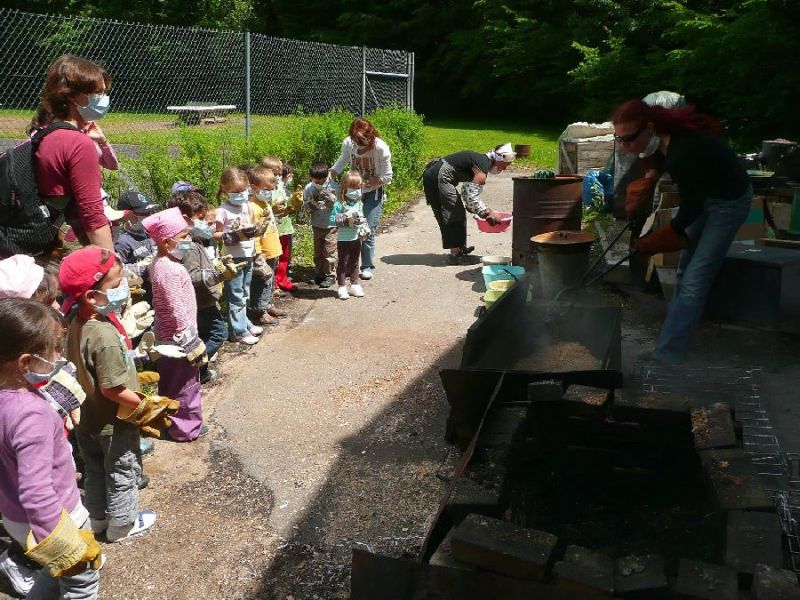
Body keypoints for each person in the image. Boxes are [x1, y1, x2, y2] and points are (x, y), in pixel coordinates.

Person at [613, 99, 753, 363]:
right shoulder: (661, 141)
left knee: (694, 280)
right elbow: (656, 163)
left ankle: (668, 355)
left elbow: (692, 207)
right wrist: (648, 183)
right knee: (683, 272)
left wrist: (657, 240)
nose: (623, 146)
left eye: (628, 139)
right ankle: (676, 341)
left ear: (650, 128)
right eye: (618, 139)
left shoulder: (682, 152)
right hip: (707, 197)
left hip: (729, 203)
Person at [0, 298, 104, 599]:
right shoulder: (31, 414)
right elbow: (37, 492)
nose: (59, 356)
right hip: (57, 519)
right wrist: (62, 545)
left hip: (16, 519)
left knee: (50, 575)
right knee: (81, 585)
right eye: (54, 350)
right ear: (24, 362)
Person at [59, 247, 157, 543]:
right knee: (123, 470)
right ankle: (122, 525)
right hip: (114, 421)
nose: (123, 288)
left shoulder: (76, 322)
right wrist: (148, 405)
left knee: (95, 469)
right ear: (91, 296)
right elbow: (112, 388)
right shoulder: (103, 334)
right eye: (115, 285)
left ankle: (99, 520)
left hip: (86, 419)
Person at [33, 54, 115, 250]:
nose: (102, 99)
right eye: (97, 93)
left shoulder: (42, 134)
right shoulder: (78, 143)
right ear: (71, 95)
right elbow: (92, 215)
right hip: (71, 246)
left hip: (42, 241)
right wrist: (112, 265)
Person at [142, 208, 209, 441]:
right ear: (166, 241)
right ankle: (186, 428)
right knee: (185, 384)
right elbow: (175, 305)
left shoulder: (161, 262)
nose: (188, 241)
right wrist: (189, 338)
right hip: (178, 339)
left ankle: (171, 422)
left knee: (171, 382)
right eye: (183, 237)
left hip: (168, 336)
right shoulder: (168, 268)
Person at [166, 190, 231, 384]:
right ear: (186, 219)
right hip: (201, 300)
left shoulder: (192, 242)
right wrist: (218, 274)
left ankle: (200, 372)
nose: (206, 224)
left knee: (201, 335)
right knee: (219, 333)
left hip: (201, 299)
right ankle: (193, 367)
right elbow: (191, 276)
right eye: (201, 218)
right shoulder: (190, 246)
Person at [422, 144, 513, 264]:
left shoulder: (481, 161)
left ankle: (460, 249)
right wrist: (486, 213)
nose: (505, 169)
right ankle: (456, 255)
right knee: (452, 212)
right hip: (437, 177)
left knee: (457, 210)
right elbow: (471, 196)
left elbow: (466, 190)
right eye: (505, 165)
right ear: (498, 159)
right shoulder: (482, 166)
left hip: (436, 175)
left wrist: (476, 208)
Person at [330, 118, 393, 280]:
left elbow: (387, 176)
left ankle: (367, 265)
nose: (359, 148)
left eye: (362, 144)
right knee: (351, 227)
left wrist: (367, 183)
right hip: (351, 193)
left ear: (370, 139)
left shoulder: (381, 149)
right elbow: (343, 160)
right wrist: (329, 176)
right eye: (356, 143)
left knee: (367, 228)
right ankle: (351, 265)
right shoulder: (349, 144)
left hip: (372, 191)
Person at [214, 167, 263, 345]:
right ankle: (237, 331)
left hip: (248, 253)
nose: (241, 194)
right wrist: (231, 236)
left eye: (243, 190)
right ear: (225, 190)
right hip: (233, 259)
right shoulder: (223, 211)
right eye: (236, 192)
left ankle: (245, 322)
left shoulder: (246, 206)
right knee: (235, 295)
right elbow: (216, 234)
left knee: (245, 292)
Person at [247, 167, 287, 324]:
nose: (269, 192)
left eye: (272, 189)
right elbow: (254, 234)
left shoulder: (265, 204)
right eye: (266, 189)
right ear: (254, 187)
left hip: (272, 250)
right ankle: (259, 310)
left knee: (269, 281)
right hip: (262, 252)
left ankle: (268, 304)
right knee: (261, 281)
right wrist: (257, 254)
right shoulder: (253, 207)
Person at [262, 157, 298, 293]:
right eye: (274, 174)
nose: (277, 177)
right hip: (272, 229)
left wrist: (292, 204)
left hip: (285, 226)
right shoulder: (265, 191)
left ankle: (282, 279)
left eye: (279, 174)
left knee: (284, 256)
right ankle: (274, 283)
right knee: (273, 256)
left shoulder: (281, 187)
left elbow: (286, 203)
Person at [330, 171, 367, 300]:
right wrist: (345, 218)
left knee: (355, 261)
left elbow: (361, 218)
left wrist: (362, 223)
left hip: (356, 238)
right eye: (353, 187)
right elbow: (332, 220)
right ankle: (341, 286)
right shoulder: (339, 204)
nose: (356, 191)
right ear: (345, 187)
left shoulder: (359, 203)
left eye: (358, 188)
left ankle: (355, 284)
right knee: (342, 263)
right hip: (343, 239)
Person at [303, 162, 339, 289]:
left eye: (322, 181)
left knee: (329, 250)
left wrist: (332, 199)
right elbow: (306, 207)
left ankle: (330, 274)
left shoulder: (333, 186)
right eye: (316, 181)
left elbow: (339, 203)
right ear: (311, 178)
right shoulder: (308, 188)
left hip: (331, 224)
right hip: (316, 224)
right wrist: (312, 204)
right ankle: (320, 272)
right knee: (318, 251)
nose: (319, 184)